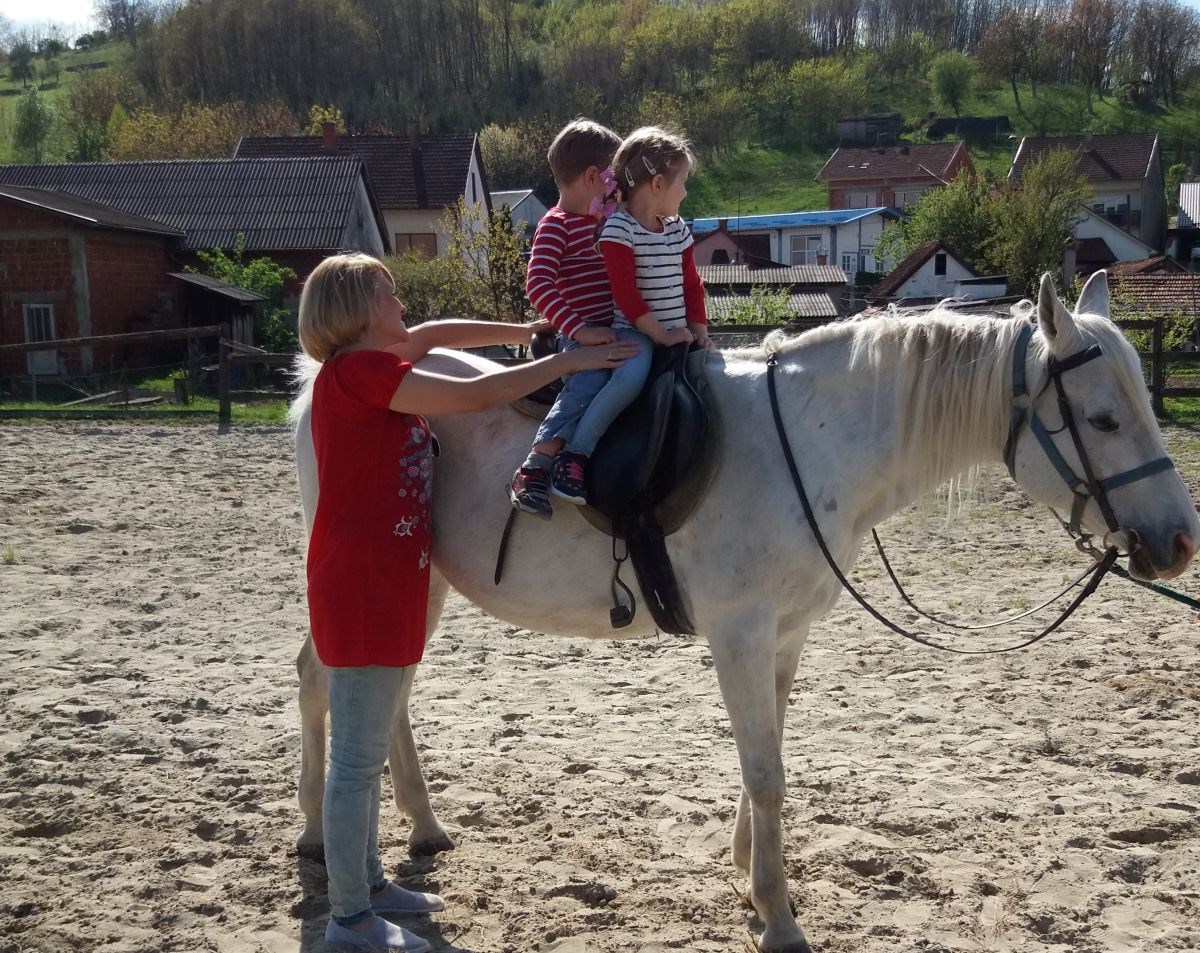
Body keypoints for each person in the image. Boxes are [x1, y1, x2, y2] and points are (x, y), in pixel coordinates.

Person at [298, 253, 636, 953]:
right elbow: (476, 398)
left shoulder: (376, 358)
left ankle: (369, 881)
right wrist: (561, 365)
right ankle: (348, 918)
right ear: (359, 310)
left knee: (365, 743)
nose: (402, 304)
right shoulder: (360, 375)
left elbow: (440, 333)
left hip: (388, 581)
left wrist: (524, 326)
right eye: (389, 293)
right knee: (358, 760)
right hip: (360, 586)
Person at [543, 125, 710, 504]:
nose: (685, 191)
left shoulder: (675, 228)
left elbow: (691, 283)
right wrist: (660, 334)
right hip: (632, 330)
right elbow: (626, 294)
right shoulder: (614, 228)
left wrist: (698, 328)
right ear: (657, 184)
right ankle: (572, 453)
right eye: (681, 182)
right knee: (623, 379)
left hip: (666, 329)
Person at [507, 118, 655, 517]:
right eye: (615, 180)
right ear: (594, 176)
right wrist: (579, 331)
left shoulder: (605, 223)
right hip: (583, 336)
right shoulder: (555, 226)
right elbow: (538, 285)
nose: (619, 189)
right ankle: (537, 464)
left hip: (616, 330)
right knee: (587, 382)